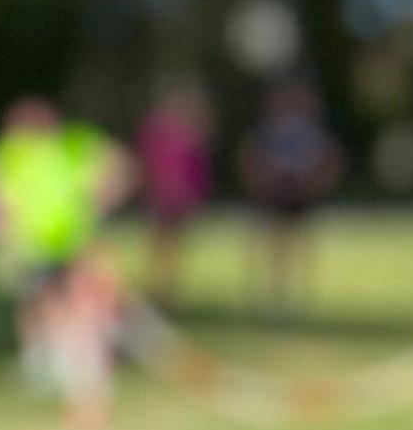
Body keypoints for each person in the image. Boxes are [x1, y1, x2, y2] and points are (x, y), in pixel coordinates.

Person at [0, 97, 136, 430]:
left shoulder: (73, 144)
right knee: (41, 304)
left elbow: (119, 165)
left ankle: (85, 398)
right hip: (33, 244)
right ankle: (45, 362)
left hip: (75, 242)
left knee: (83, 317)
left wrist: (102, 196)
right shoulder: (12, 153)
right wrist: (1, 225)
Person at [239, 77, 344, 312]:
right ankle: (274, 291)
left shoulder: (312, 131)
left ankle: (298, 294)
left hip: (301, 191)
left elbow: (328, 159)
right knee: (275, 242)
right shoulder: (268, 130)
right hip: (275, 190)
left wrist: (318, 182)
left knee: (302, 243)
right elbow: (252, 158)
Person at [135, 84, 214, 304]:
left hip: (181, 197)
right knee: (159, 241)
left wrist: (196, 194)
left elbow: (198, 169)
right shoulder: (156, 132)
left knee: (175, 242)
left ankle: (169, 287)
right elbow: (147, 163)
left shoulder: (191, 135)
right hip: (161, 195)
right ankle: (156, 285)